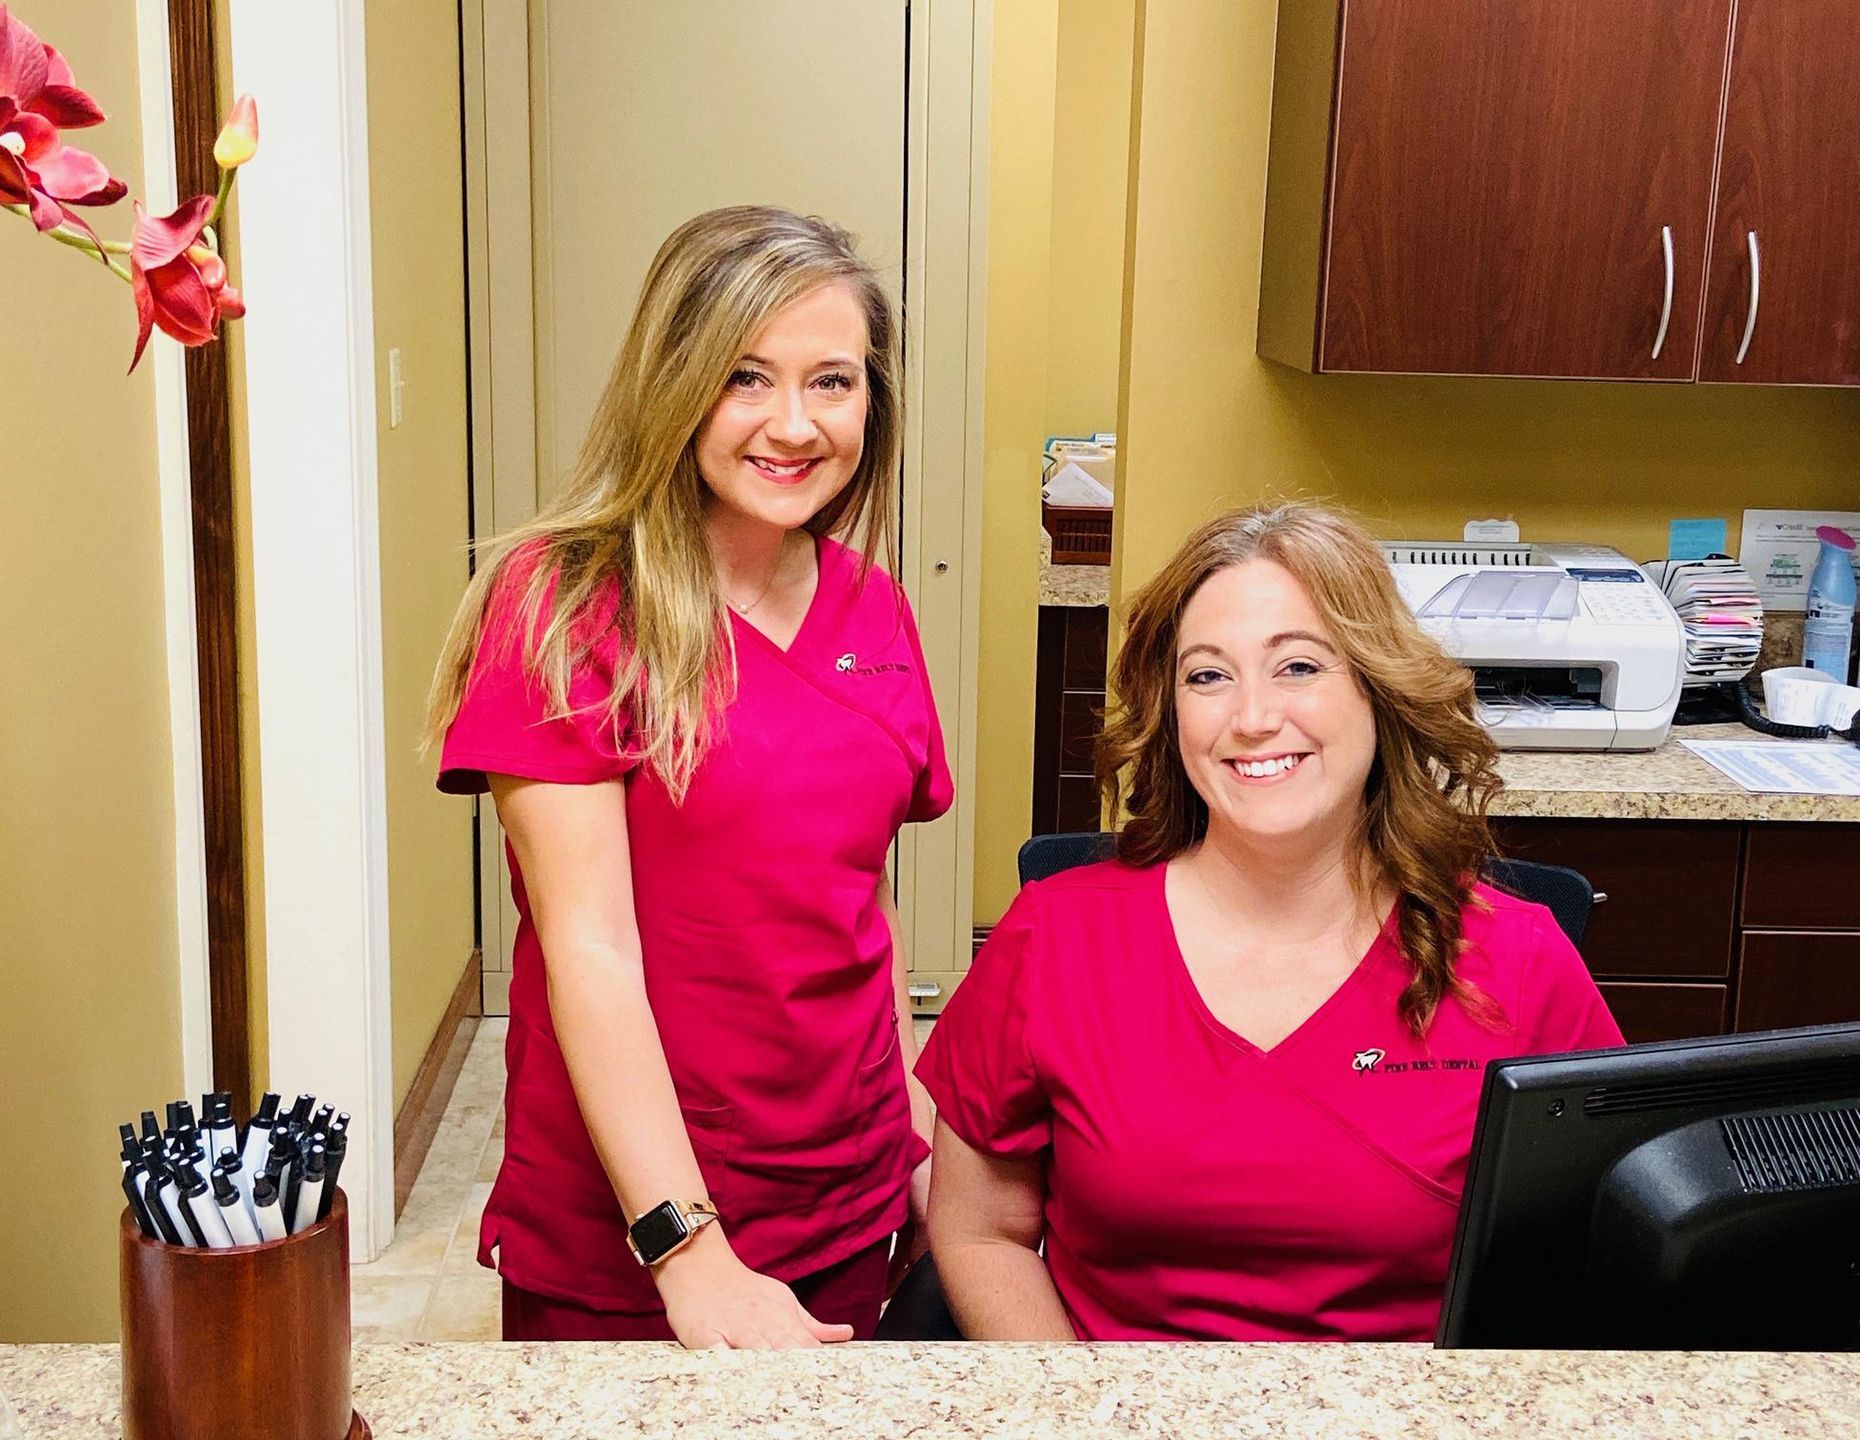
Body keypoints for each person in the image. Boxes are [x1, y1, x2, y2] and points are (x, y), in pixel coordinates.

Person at [427, 206, 952, 1346]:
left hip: (853, 1201)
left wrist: (914, 1142)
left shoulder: (876, 607)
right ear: (678, 384)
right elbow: (592, 952)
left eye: (834, 382)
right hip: (642, 1230)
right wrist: (689, 1250)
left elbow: (861, 898)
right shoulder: (565, 606)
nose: (795, 424)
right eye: (747, 378)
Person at [917, 503, 1623, 1342]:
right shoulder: (1054, 939)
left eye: (1297, 666)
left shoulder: (1518, 960)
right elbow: (979, 1228)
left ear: (1376, 685)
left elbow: (1591, 1259)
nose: (1252, 717)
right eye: (1208, 676)